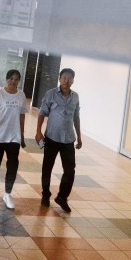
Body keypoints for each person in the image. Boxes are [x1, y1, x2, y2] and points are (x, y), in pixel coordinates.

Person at [34, 68, 82, 213]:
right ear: (59, 79)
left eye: (70, 78)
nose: (67, 81)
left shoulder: (75, 96)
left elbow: (76, 116)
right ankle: (45, 194)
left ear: (73, 81)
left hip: (68, 139)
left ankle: (62, 197)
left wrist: (79, 136)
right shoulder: (51, 94)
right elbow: (42, 112)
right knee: (47, 167)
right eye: (64, 78)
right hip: (52, 137)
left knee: (70, 170)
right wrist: (38, 132)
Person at [0, 69, 27, 210]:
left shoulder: (21, 95)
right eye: (11, 78)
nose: (13, 81)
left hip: (14, 137)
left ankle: (8, 194)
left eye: (16, 79)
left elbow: (22, 116)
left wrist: (22, 134)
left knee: (13, 165)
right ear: (6, 79)